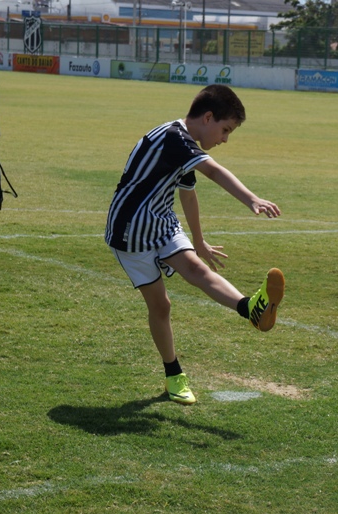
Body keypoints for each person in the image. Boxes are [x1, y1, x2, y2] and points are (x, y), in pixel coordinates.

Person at [105, 84, 285, 405]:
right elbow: (213, 172)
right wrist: (251, 198)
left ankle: (252, 310)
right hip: (130, 230)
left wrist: (199, 241)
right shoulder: (175, 138)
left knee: (197, 269)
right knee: (161, 306)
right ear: (208, 117)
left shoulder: (183, 143)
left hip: (160, 220)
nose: (225, 139)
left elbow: (188, 191)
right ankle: (174, 374)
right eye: (225, 130)